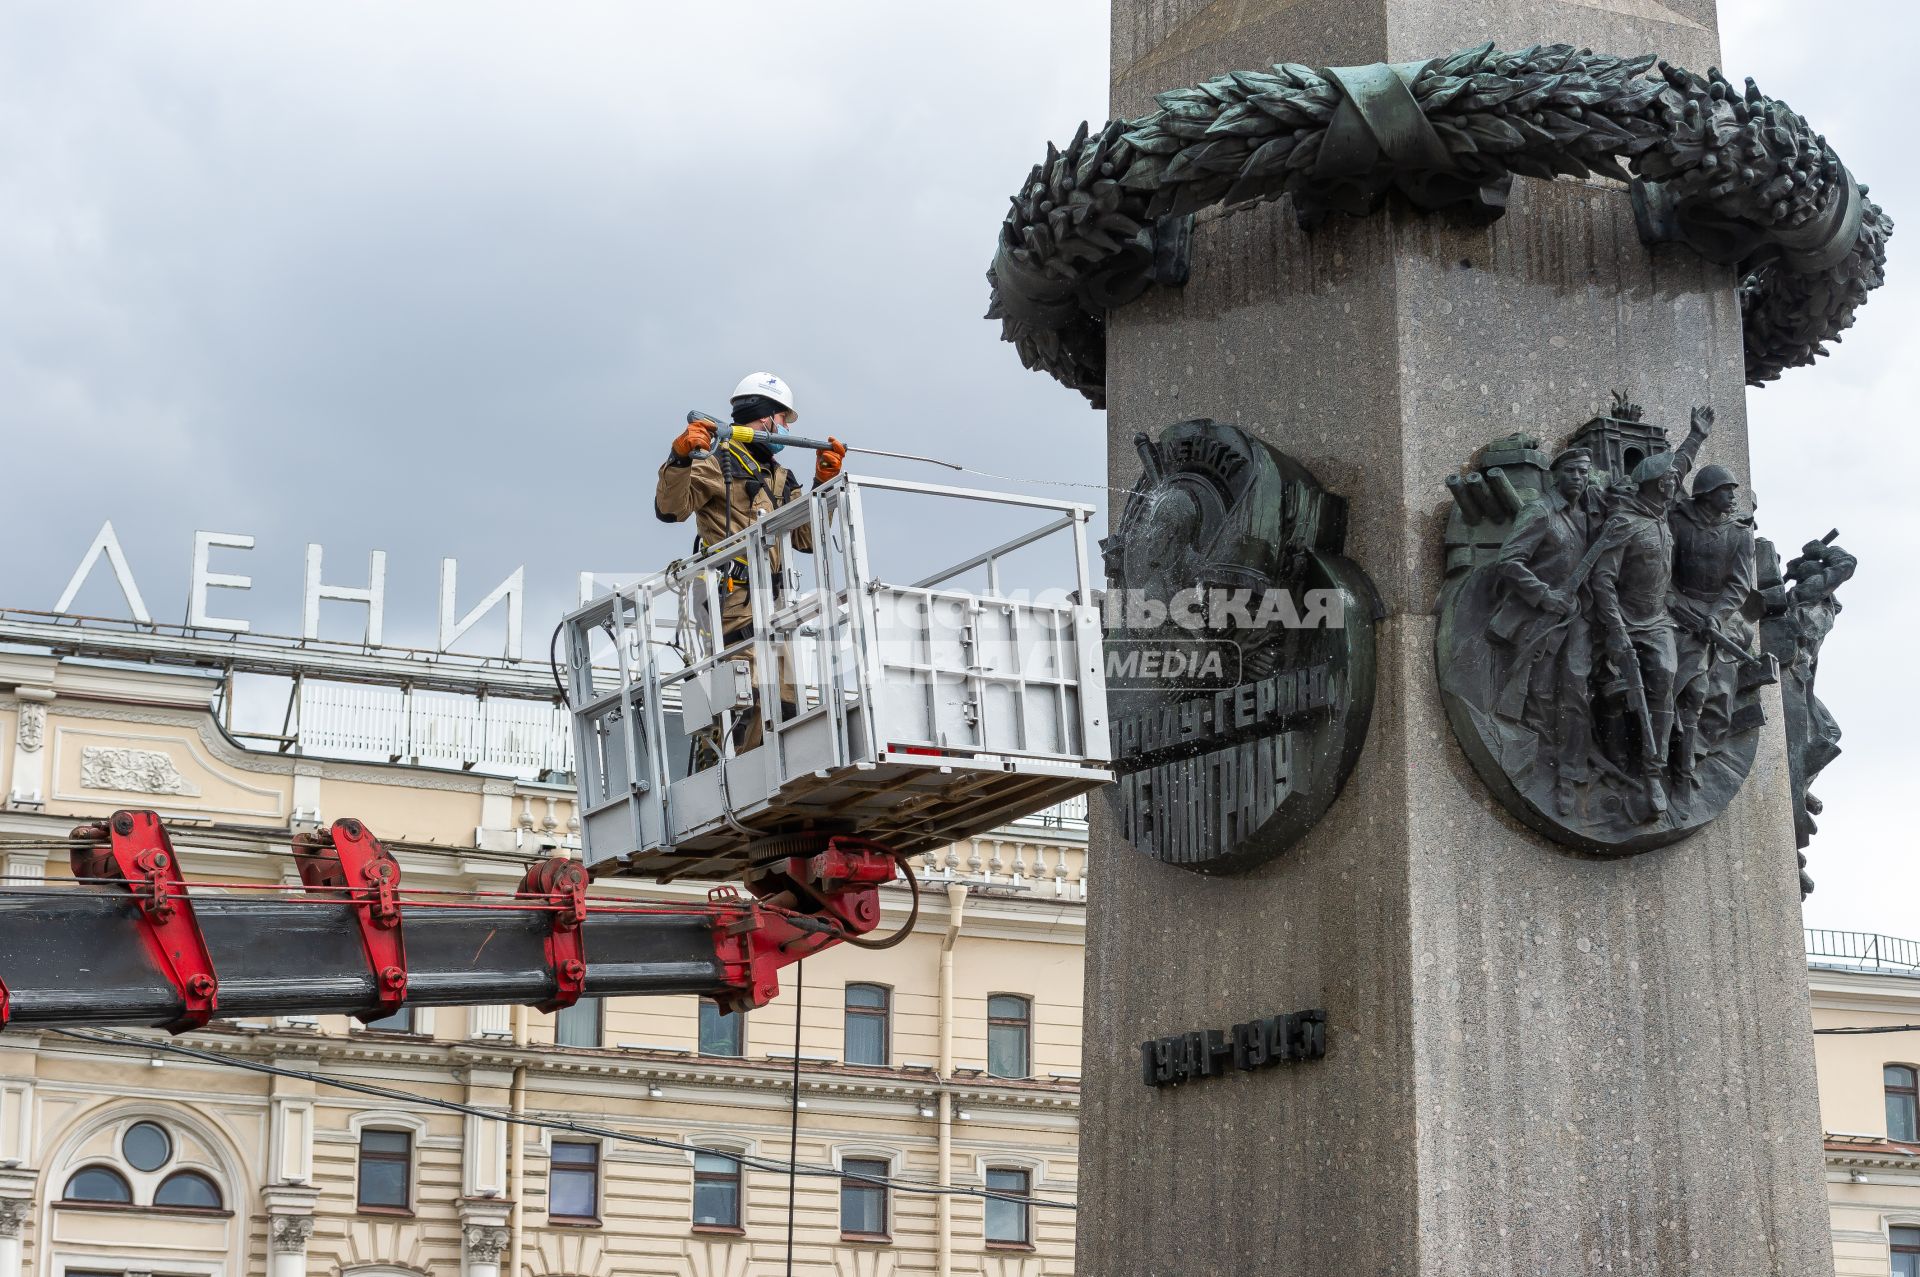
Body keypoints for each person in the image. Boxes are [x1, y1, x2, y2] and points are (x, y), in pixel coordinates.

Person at [654, 372, 847, 752]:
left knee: (787, 701)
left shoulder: (780, 476)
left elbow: (807, 539)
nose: (784, 429)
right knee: (749, 692)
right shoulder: (717, 462)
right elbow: (670, 508)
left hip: (775, 605)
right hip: (732, 600)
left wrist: (823, 486)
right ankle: (734, 766)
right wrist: (679, 458)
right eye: (782, 419)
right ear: (764, 416)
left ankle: (780, 769)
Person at [1489, 447, 1604, 815]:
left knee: (1576, 689)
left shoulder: (1586, 517)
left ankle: (1569, 774)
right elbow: (1510, 560)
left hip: (1576, 619)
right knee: (1538, 693)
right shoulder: (1540, 511)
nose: (1579, 479)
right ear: (1556, 475)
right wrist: (1544, 596)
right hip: (1538, 617)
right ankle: (1542, 760)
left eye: (1584, 473)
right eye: (1572, 472)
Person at [1588, 451, 1684, 814]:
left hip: (1658, 620)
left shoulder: (1662, 520)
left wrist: (1696, 436)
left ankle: (1654, 773)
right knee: (1614, 690)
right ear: (1661, 483)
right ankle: (1614, 760)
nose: (1677, 481)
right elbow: (1604, 578)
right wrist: (1615, 630)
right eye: (1672, 477)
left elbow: (1684, 464)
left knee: (1665, 675)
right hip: (1621, 620)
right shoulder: (1624, 523)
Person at [1666, 464, 1757, 787]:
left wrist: (1716, 617)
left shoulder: (1740, 532)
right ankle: (1671, 739)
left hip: (1723, 612)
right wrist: (1673, 603)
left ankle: (1698, 748)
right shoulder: (1677, 522)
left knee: (1719, 688)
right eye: (1725, 490)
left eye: (1733, 490)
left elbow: (1739, 586)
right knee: (1682, 672)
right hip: (1680, 603)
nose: (1732, 496)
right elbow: (1664, 568)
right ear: (1706, 495)